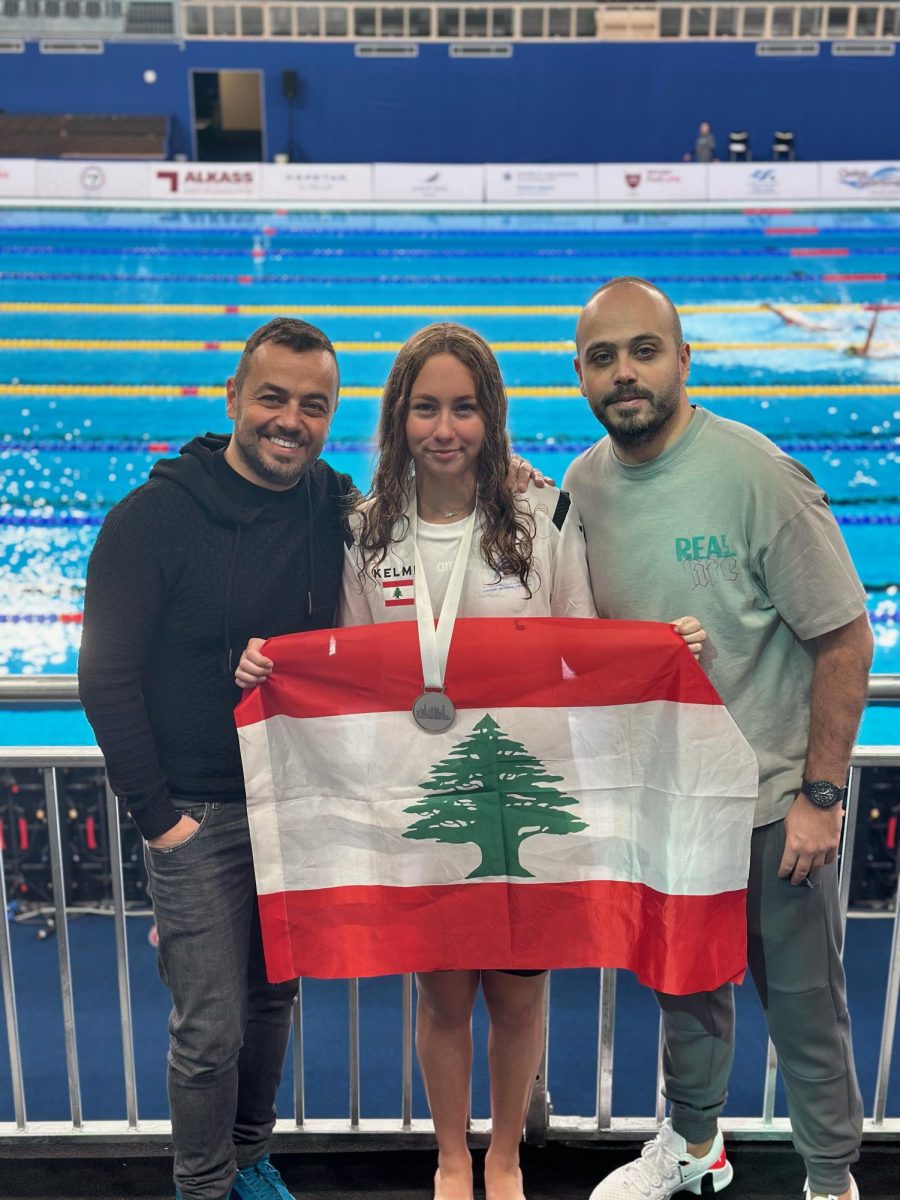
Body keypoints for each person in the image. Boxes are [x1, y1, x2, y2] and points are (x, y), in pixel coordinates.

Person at [236, 323, 706, 1200]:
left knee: (519, 997)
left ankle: (505, 1156)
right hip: (422, 802)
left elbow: (584, 644)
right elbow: (342, 661)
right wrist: (274, 665)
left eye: (463, 408)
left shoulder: (540, 515)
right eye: (425, 408)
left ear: (491, 417)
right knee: (445, 995)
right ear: (398, 418)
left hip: (527, 796)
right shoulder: (364, 531)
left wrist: (657, 649)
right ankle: (454, 1156)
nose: (443, 429)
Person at [563, 277, 873, 1200]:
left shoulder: (756, 475)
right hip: (671, 806)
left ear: (684, 359)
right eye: (603, 356)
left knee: (806, 1011)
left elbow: (846, 637)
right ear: (580, 373)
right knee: (686, 996)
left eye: (644, 350)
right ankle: (696, 1145)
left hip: (773, 804)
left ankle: (830, 1178)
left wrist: (821, 797)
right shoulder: (582, 486)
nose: (626, 373)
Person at [78, 318, 355, 1200]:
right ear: (233, 398)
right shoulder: (151, 519)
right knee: (209, 1029)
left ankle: (246, 1157)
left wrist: (516, 484)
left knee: (274, 1005)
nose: (290, 420)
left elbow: (413, 542)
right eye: (272, 398)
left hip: (292, 807)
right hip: (196, 814)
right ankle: (200, 1186)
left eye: (313, 406)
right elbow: (105, 677)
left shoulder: (330, 504)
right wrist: (159, 818)